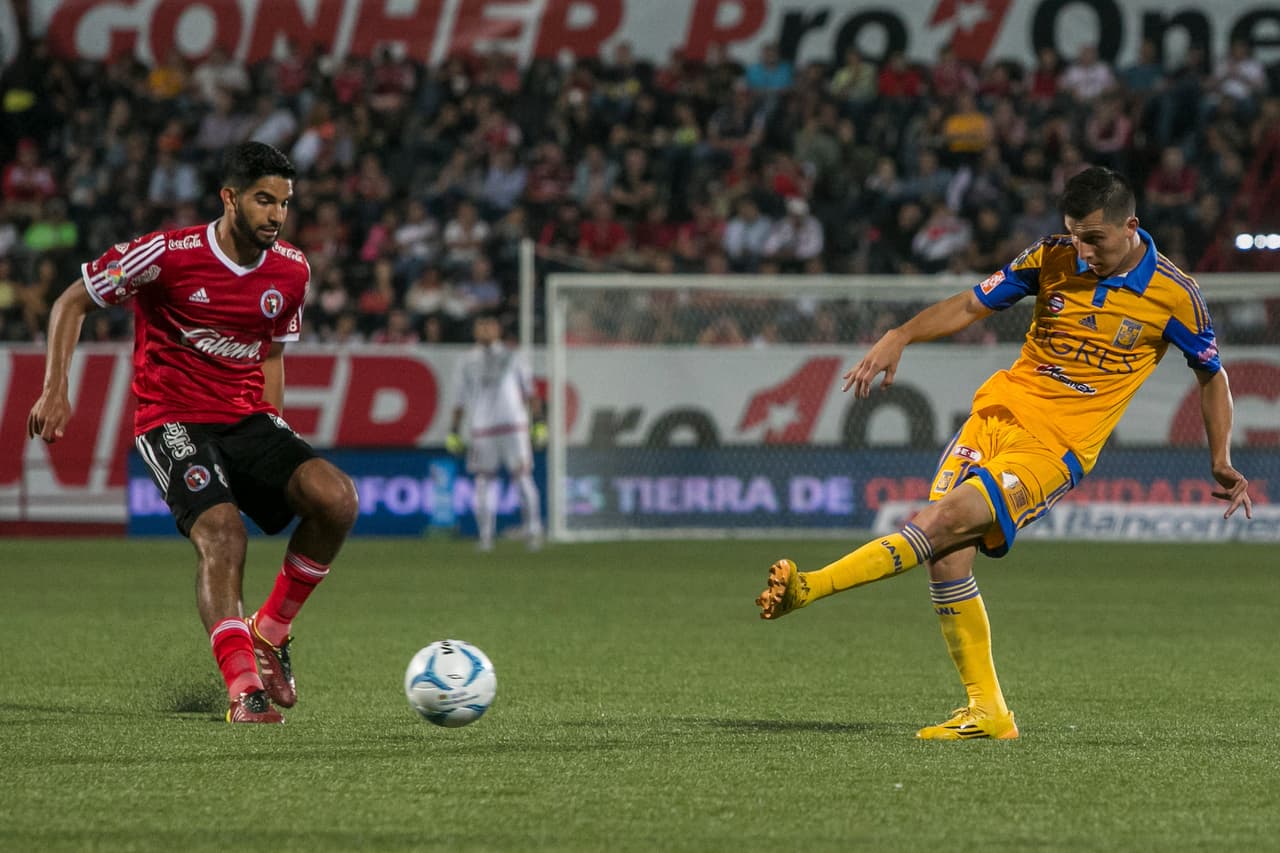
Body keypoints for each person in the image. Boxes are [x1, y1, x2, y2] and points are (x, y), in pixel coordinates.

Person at [755, 167, 1253, 740]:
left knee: (937, 522)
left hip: (1055, 448)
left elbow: (1211, 375)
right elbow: (971, 305)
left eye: (1095, 238)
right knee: (946, 557)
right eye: (1074, 234)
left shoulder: (1175, 293)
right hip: (997, 415)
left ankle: (808, 587)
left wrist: (1219, 456)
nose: (1083, 249)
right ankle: (988, 712)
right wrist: (900, 335)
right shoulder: (1051, 257)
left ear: (1130, 226)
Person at [27, 142, 359, 724]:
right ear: (229, 198)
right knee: (225, 535)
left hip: (245, 416)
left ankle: (271, 631)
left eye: (284, 203)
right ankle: (243, 688)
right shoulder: (165, 254)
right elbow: (71, 303)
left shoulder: (292, 270)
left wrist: (275, 421)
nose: (276, 215)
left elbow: (272, 352)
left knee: (337, 499)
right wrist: (56, 387)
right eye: (263, 200)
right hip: (170, 418)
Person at [447, 313, 545, 551]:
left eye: (490, 325)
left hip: (514, 426)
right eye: (481, 326)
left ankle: (533, 531)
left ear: (498, 329)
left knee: (522, 477)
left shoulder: (514, 356)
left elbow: (531, 392)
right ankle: (486, 537)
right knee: (483, 482)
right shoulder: (467, 361)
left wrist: (540, 423)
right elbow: (459, 399)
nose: (485, 330)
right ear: (475, 332)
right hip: (482, 429)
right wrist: (454, 431)